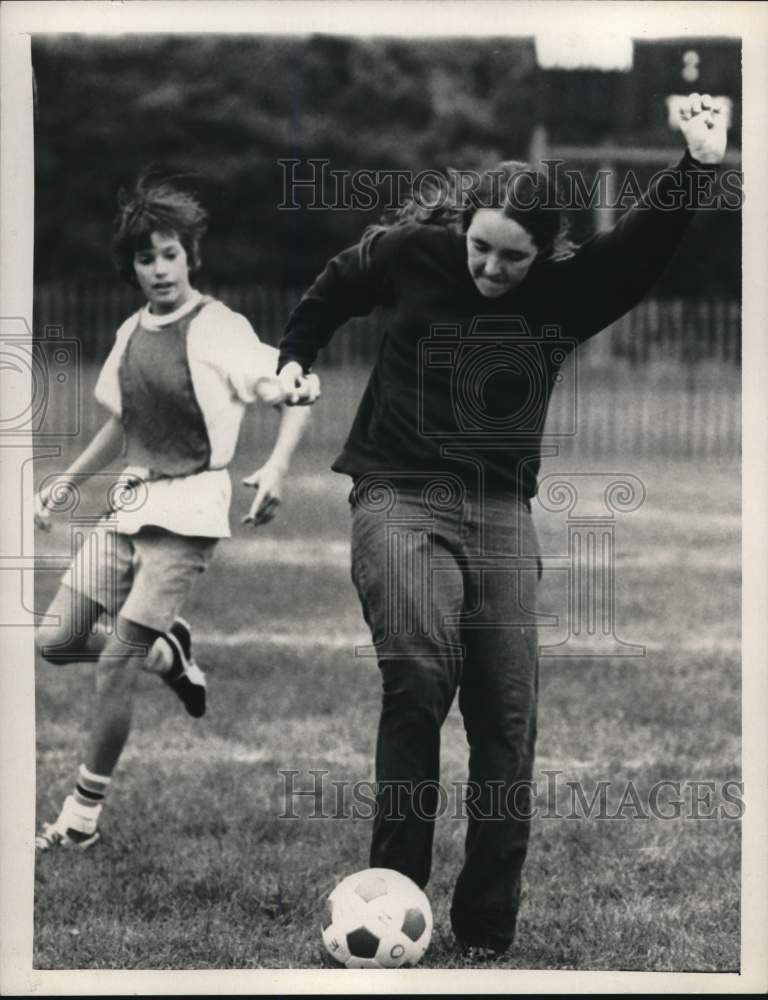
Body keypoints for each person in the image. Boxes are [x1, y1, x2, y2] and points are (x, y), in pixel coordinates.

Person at [277, 94, 728, 958]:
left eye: (510, 258)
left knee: (507, 716)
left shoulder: (562, 295)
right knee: (417, 671)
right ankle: (392, 894)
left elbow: (640, 252)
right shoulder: (414, 252)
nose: (489, 266)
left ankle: (485, 934)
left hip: (497, 513)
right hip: (397, 493)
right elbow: (335, 285)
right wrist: (295, 359)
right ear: (463, 226)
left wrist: (698, 166)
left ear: (544, 254)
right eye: (480, 246)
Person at [34, 173, 316, 852]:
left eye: (169, 254)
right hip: (132, 501)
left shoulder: (220, 327)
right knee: (57, 640)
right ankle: (170, 654)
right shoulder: (132, 330)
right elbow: (120, 422)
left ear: (192, 254)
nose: (158, 269)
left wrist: (275, 467)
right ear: (129, 266)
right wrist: (66, 483)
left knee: (115, 662)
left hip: (189, 515)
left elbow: (299, 390)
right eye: (144, 257)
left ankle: (81, 818)